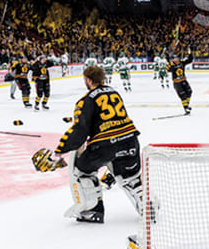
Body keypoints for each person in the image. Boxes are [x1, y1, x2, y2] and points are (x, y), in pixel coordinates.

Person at [53, 65, 142, 224]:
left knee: (81, 170)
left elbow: (80, 130)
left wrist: (60, 149)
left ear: (88, 80)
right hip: (130, 140)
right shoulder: (114, 93)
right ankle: (146, 205)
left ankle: (92, 209)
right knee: (130, 176)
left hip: (105, 145)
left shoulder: (86, 100)